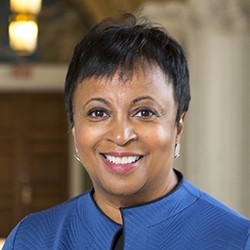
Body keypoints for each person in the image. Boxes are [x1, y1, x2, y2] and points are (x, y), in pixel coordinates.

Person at [3, 13, 250, 250]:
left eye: (144, 112)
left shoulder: (238, 240)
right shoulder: (31, 240)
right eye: (98, 112)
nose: (121, 135)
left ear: (178, 127)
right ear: (75, 129)